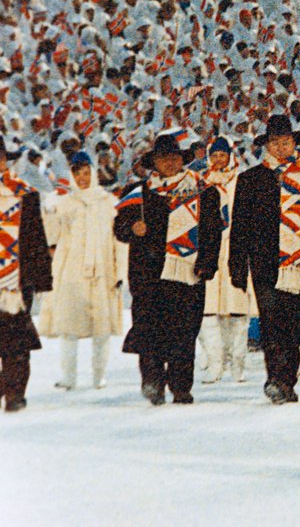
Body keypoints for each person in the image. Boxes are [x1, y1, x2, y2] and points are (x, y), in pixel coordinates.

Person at [229, 115, 300, 404]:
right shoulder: (250, 179)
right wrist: (237, 266)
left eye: (285, 142)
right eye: (275, 143)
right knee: (272, 324)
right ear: (267, 145)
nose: (280, 148)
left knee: (296, 325)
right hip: (266, 264)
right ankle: (276, 379)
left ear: (294, 143)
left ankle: (287, 379)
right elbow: (239, 227)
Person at [114, 133, 223, 405]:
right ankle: (152, 381)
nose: (170, 163)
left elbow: (212, 231)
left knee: (184, 334)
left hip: (187, 273)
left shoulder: (203, 190)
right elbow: (119, 229)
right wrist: (132, 228)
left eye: (174, 157)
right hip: (148, 276)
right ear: (154, 163)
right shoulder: (137, 194)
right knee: (149, 332)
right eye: (164, 159)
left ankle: (180, 386)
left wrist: (207, 264)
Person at [0, 135, 53, 412]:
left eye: (0, 158)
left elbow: (36, 238)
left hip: (18, 280)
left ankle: (15, 393)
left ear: (7, 161)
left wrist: (41, 277)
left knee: (17, 343)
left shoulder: (26, 194)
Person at [39, 151, 122, 390]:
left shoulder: (107, 202)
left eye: (87, 173)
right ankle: (69, 377)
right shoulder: (64, 202)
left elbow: (118, 239)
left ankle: (99, 376)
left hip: (102, 269)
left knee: (101, 328)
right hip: (72, 270)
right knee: (69, 326)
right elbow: (52, 236)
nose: (83, 178)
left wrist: (118, 271)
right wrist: (51, 210)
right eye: (78, 174)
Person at [198, 137, 252, 384]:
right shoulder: (201, 182)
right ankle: (215, 363)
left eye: (222, 155)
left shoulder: (242, 180)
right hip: (209, 250)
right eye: (214, 156)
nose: (219, 160)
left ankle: (237, 364)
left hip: (236, 248)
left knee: (237, 311)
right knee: (209, 312)